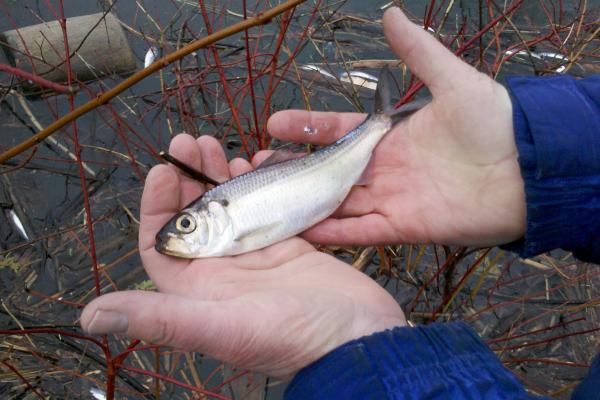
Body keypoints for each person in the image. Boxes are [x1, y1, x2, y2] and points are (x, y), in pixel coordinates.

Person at [80, 7, 600, 399]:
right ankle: (385, 121)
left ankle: (383, 121)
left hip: (336, 180)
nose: (184, 234)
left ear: (212, 215)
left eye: (188, 225)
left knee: (365, 131)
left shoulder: (235, 227)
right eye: (187, 227)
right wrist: (524, 162)